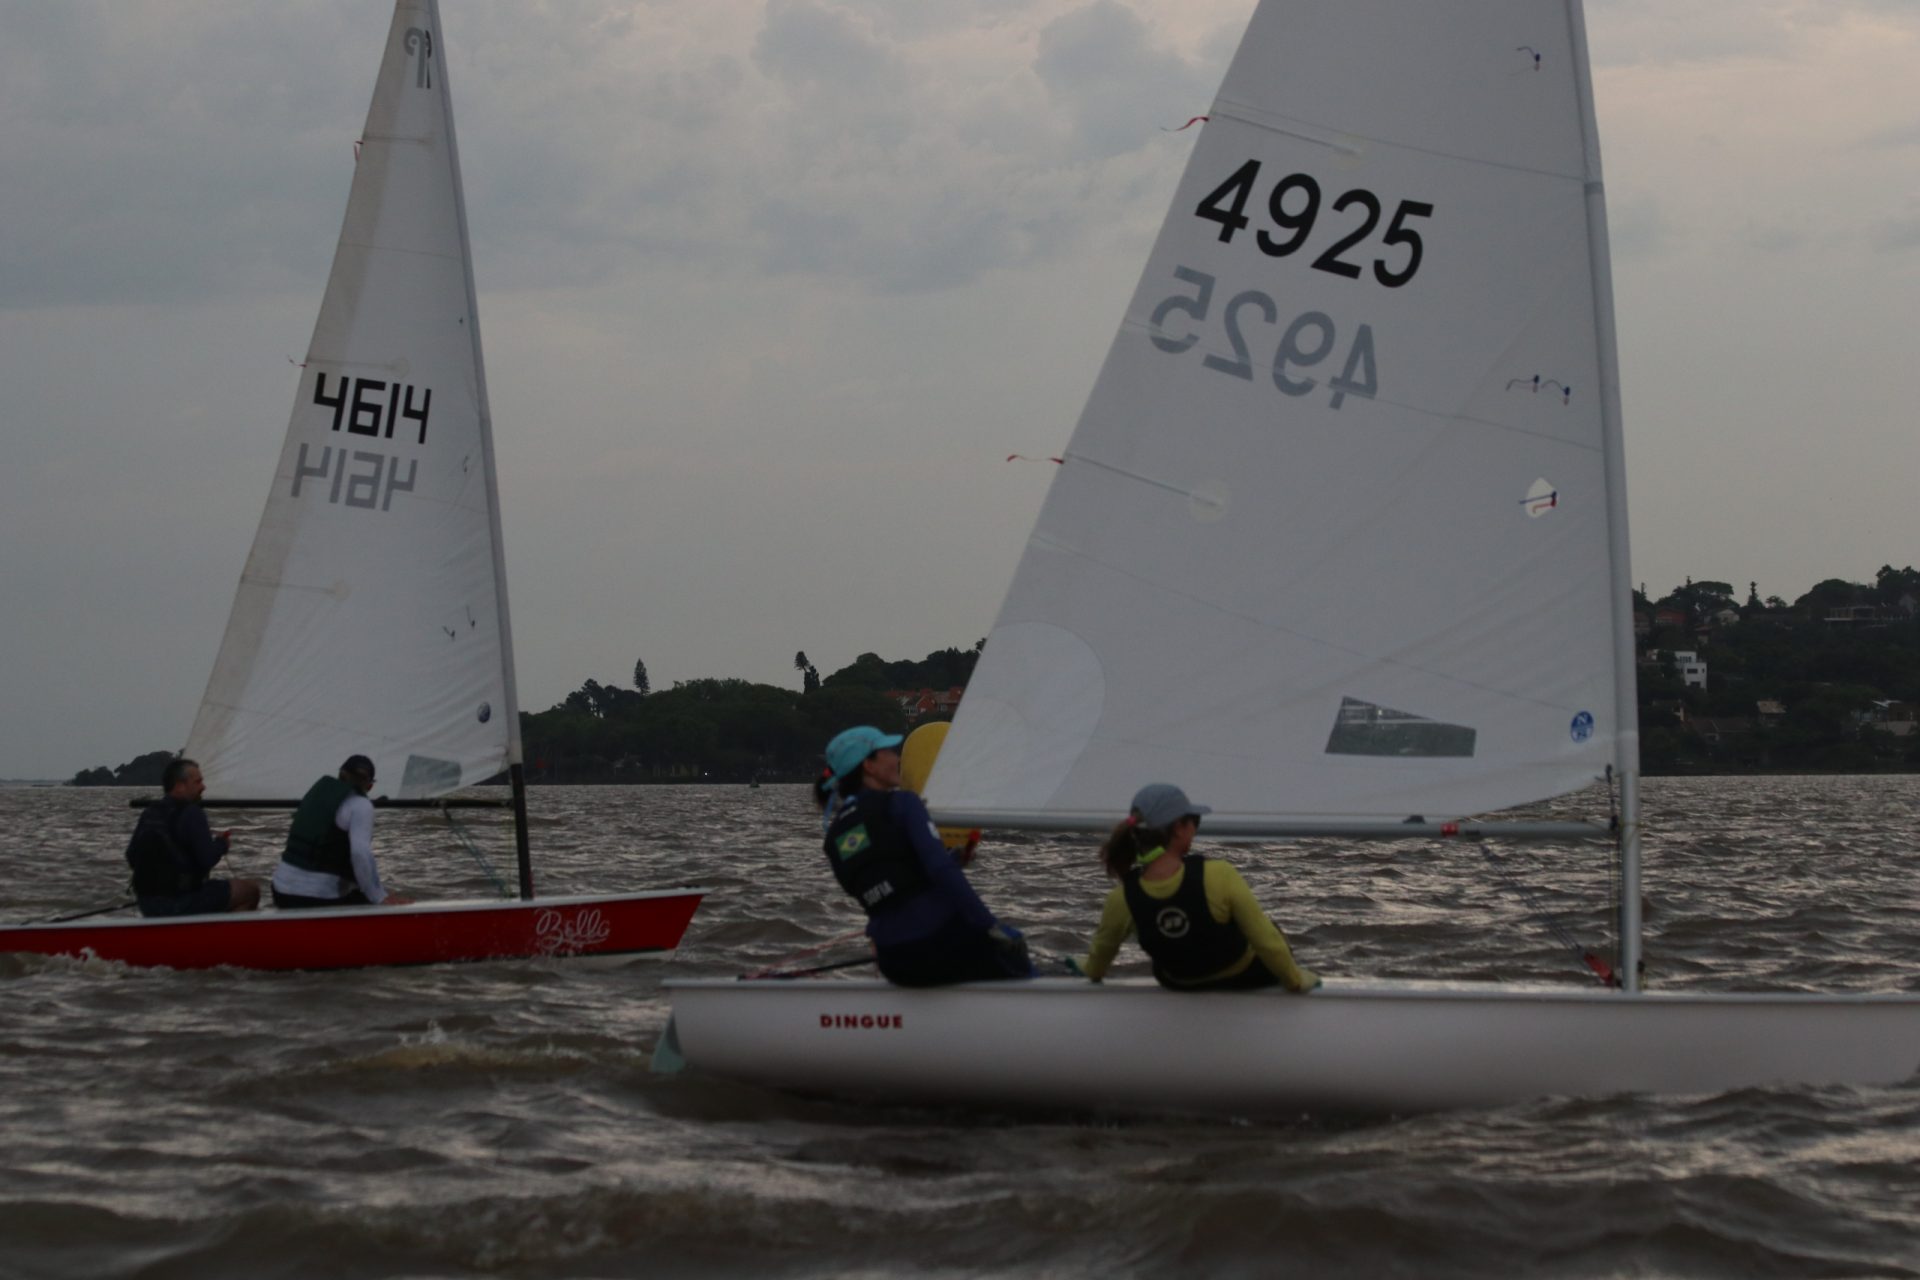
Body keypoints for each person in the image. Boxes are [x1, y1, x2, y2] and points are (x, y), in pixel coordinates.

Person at [820, 724, 1032, 986]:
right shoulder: (903, 803)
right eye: (889, 753)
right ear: (869, 765)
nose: (897, 759)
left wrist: (953, 859)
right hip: (938, 942)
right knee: (1016, 952)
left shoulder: (834, 834)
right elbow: (941, 870)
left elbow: (887, 882)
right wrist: (992, 926)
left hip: (892, 960)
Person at [1078, 783, 1319, 992]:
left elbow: (1098, 962)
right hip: (1246, 977)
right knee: (1273, 929)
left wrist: (1088, 968)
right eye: (1195, 821)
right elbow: (1266, 940)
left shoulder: (1121, 897)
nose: (1195, 828)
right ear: (1179, 828)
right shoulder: (1219, 874)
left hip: (1180, 983)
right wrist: (1296, 981)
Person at [124, 758, 263, 917]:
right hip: (179, 902)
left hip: (147, 903)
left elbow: (131, 856)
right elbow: (207, 859)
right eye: (198, 782)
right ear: (180, 786)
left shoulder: (150, 812)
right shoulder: (192, 813)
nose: (203, 787)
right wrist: (222, 844)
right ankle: (224, 933)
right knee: (250, 891)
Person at [270, 755, 413, 909]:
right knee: (370, 899)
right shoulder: (361, 805)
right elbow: (360, 854)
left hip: (280, 892)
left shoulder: (317, 794)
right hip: (313, 899)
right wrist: (379, 897)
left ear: (341, 775)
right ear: (370, 786)